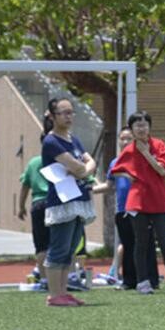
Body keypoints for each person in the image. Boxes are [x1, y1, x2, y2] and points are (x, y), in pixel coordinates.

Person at [110, 111, 165, 295]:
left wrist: (146, 153)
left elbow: (161, 171)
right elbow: (115, 171)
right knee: (141, 243)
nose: (141, 128)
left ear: (150, 127)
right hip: (137, 201)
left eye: (145, 124)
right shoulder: (128, 150)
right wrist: (128, 175)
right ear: (131, 129)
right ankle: (143, 282)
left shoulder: (159, 145)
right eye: (137, 125)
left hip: (158, 199)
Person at [40, 97, 97, 307]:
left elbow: (89, 163)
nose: (69, 116)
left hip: (78, 198)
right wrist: (83, 170)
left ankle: (63, 292)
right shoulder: (51, 141)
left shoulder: (74, 139)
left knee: (71, 248)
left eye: (71, 112)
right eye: (64, 113)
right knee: (59, 247)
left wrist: (83, 170)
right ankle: (54, 295)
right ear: (53, 116)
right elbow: (79, 167)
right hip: (62, 201)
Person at [96, 127, 158, 291]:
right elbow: (109, 185)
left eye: (128, 138)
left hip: (141, 209)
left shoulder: (142, 160)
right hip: (122, 210)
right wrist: (91, 189)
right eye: (122, 139)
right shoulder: (114, 163)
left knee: (146, 245)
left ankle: (151, 279)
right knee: (128, 245)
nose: (124, 142)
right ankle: (129, 280)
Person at [18, 142, 51, 291]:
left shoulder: (33, 162)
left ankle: (45, 280)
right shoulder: (60, 160)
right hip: (55, 202)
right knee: (59, 243)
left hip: (38, 204)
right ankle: (64, 279)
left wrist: (21, 206)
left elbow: (25, 185)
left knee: (41, 245)